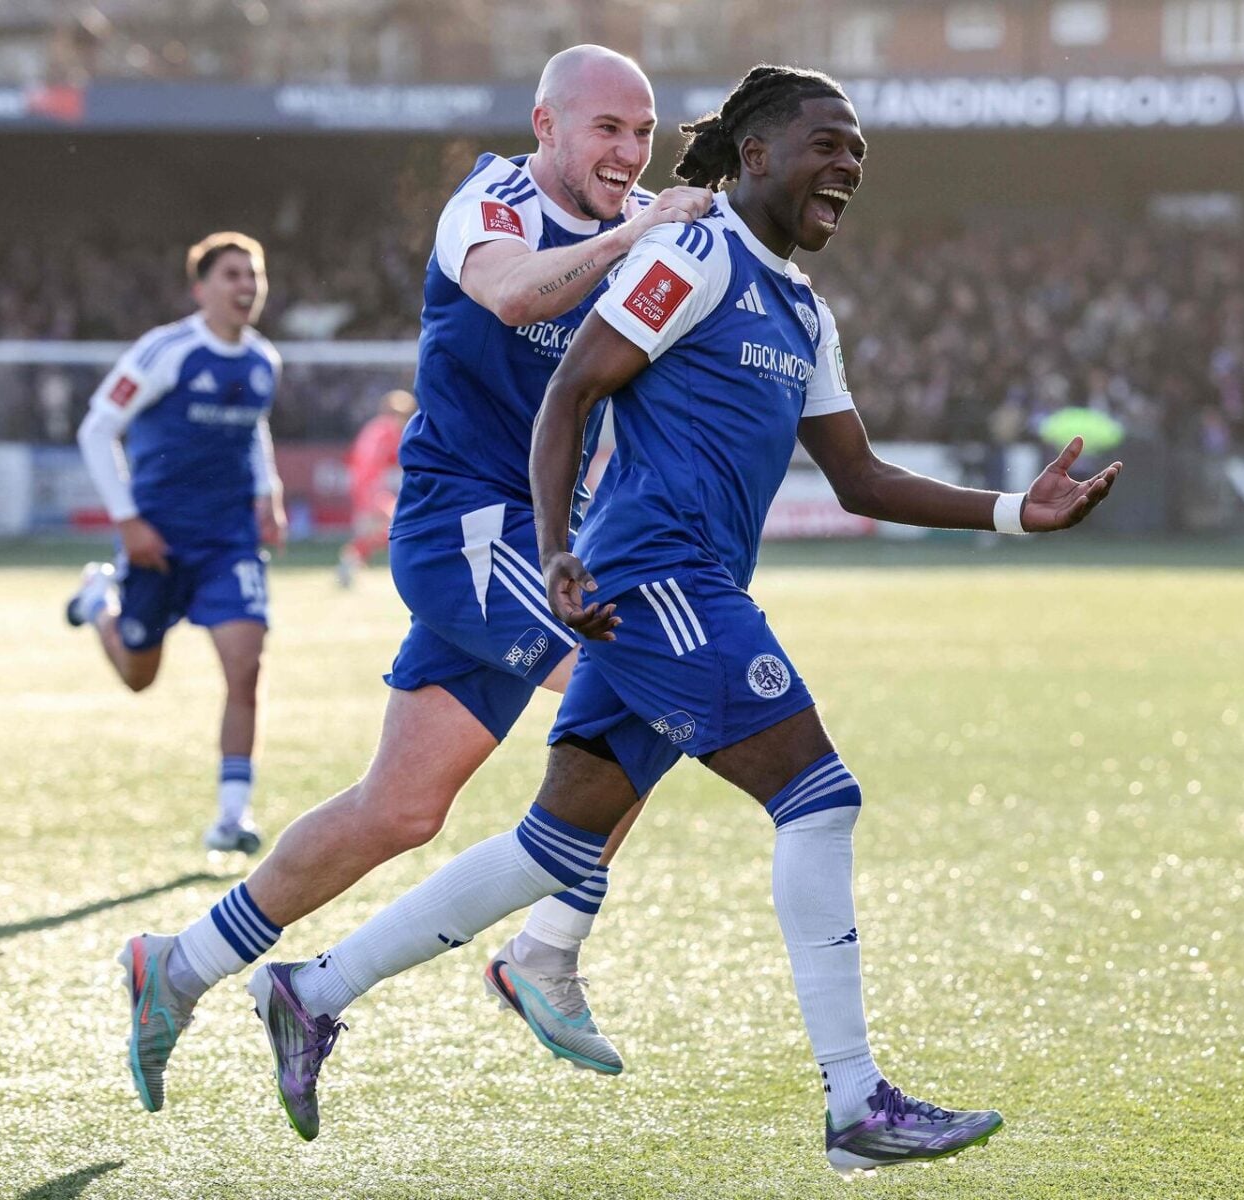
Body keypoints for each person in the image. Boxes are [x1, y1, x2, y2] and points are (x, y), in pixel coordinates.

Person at [243, 66, 1120, 1172]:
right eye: (825, 143)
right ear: (755, 155)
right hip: (655, 577)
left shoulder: (803, 309)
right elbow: (570, 393)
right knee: (819, 795)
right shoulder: (692, 256)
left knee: (549, 845)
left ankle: (310, 989)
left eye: (859, 154)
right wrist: (558, 552)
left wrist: (1011, 514)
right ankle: (855, 1104)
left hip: (683, 587)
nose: (846, 166)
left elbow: (856, 478)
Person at [116, 45, 715, 1118]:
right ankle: (548, 947)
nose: (629, 154)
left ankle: (186, 965)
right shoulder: (491, 202)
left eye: (643, 133)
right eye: (605, 130)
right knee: (648, 685)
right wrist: (640, 234)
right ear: (546, 124)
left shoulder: (646, 239)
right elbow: (502, 292)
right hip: (464, 530)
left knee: (397, 810)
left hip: (538, 542)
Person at [67, 231, 287, 856]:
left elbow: (253, 427)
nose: (246, 286)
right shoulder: (166, 351)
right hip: (158, 542)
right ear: (201, 288)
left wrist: (267, 489)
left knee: (246, 665)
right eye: (231, 275)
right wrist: (128, 520)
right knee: (139, 675)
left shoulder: (263, 361)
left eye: (254, 276)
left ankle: (232, 816)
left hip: (230, 544)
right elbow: (96, 429)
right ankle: (98, 604)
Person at [335, 389, 416, 588]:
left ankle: (350, 563)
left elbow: (355, 458)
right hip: (372, 488)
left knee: (379, 530)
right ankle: (409, 570)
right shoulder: (390, 429)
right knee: (399, 525)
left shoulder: (372, 427)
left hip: (362, 485)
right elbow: (404, 457)